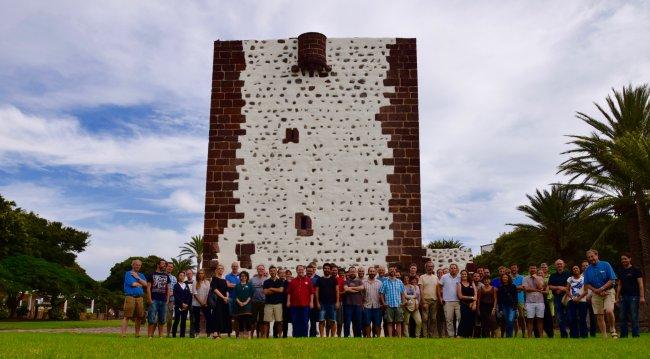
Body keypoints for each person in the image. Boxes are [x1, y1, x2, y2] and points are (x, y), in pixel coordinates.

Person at [583, 249, 618, 338]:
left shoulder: (605, 264)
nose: (591, 259)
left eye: (592, 256)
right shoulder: (587, 270)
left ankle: (612, 329)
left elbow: (612, 279)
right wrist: (596, 291)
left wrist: (602, 288)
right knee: (599, 315)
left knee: (609, 311)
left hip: (608, 291)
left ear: (597, 255)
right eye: (589, 257)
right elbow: (587, 284)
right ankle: (604, 336)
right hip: (596, 293)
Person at [616, 253, 645, 338]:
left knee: (634, 315)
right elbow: (619, 285)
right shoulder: (621, 271)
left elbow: (640, 284)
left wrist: (642, 297)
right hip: (623, 297)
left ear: (630, 259)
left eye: (625, 259)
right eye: (622, 259)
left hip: (634, 297)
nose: (623, 261)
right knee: (622, 316)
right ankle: (623, 335)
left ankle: (635, 335)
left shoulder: (636, 270)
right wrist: (617, 297)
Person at [120, 259, 147, 337]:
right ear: (132, 265)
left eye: (139, 265)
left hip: (140, 298)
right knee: (127, 316)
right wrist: (140, 283)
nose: (138, 266)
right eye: (136, 265)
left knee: (139, 316)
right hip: (130, 297)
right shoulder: (128, 274)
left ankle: (137, 334)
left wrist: (137, 277)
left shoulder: (141, 275)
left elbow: (145, 284)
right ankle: (123, 334)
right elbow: (133, 284)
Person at [287, 265, 314, 337]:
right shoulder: (293, 281)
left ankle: (304, 336)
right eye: (299, 270)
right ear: (296, 271)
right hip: (294, 306)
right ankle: (296, 336)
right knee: (295, 322)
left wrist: (311, 302)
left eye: (302, 270)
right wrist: (288, 301)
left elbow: (311, 293)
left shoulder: (308, 280)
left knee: (305, 322)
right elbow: (289, 293)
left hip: (305, 305)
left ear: (304, 270)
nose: (300, 271)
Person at [146, 259, 171, 338]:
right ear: (158, 264)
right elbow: (148, 287)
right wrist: (150, 299)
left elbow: (168, 288)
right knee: (151, 318)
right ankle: (149, 336)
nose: (164, 265)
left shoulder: (166, 276)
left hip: (163, 300)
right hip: (154, 299)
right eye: (163, 264)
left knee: (162, 319)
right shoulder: (151, 274)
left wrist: (167, 300)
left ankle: (160, 336)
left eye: (165, 264)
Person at [379, 266, 406, 337]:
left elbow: (402, 293)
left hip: (398, 304)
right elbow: (381, 293)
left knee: (399, 322)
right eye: (390, 270)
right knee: (389, 322)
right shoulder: (385, 282)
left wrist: (403, 302)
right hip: (389, 305)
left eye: (393, 270)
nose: (392, 271)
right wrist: (384, 303)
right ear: (388, 272)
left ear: (395, 271)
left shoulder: (400, 282)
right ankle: (390, 337)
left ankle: (399, 337)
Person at [315, 263, 339, 337]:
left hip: (332, 303)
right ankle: (322, 336)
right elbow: (316, 291)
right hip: (322, 303)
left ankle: (332, 336)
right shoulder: (319, 279)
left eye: (328, 268)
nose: (326, 270)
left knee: (333, 321)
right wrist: (318, 302)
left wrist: (337, 302)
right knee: (321, 321)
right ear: (323, 269)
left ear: (330, 270)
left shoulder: (334, 279)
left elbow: (337, 291)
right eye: (325, 268)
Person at [548, 259, 570, 338]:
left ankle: (573, 333)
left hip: (567, 297)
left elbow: (571, 284)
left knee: (569, 316)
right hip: (557, 298)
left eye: (560, 264)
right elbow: (549, 286)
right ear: (555, 266)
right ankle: (563, 334)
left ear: (564, 265)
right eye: (557, 264)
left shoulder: (568, 274)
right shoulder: (552, 275)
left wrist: (563, 289)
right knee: (560, 317)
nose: (559, 265)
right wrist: (557, 287)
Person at [522, 264, 545, 338]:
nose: (533, 269)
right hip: (529, 302)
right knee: (530, 320)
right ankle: (529, 337)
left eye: (534, 268)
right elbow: (526, 289)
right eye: (531, 268)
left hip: (540, 302)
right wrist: (537, 290)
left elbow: (541, 287)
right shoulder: (525, 278)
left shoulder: (540, 278)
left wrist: (536, 278)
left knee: (540, 319)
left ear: (536, 269)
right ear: (529, 269)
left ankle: (541, 336)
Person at [418, 260, 440, 338]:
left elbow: (438, 290)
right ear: (426, 268)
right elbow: (420, 289)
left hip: (434, 300)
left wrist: (439, 299)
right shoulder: (422, 277)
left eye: (431, 266)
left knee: (433, 319)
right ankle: (425, 335)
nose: (430, 268)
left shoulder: (436, 277)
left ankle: (431, 335)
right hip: (426, 300)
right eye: (429, 266)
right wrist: (423, 301)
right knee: (425, 319)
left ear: (433, 268)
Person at [263, 265, 285, 338]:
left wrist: (271, 288)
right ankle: (266, 337)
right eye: (271, 271)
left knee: (279, 321)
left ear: (276, 272)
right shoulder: (266, 282)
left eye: (274, 271)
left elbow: (281, 290)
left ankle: (279, 336)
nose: (272, 272)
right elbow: (265, 292)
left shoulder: (280, 281)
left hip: (278, 304)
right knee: (266, 322)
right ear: (269, 272)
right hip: (268, 304)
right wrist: (276, 290)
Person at [566, 264, 588, 338]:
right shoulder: (570, 279)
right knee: (573, 318)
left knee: (582, 318)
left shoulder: (584, 278)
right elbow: (567, 290)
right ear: (572, 271)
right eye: (574, 269)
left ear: (579, 270)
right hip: (572, 301)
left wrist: (578, 298)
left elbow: (586, 291)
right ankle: (574, 335)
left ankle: (584, 335)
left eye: (577, 268)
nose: (575, 270)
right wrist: (573, 298)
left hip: (582, 301)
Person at [209, 264, 230, 338]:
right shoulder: (214, 279)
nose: (220, 270)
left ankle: (219, 332)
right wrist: (223, 297)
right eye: (219, 268)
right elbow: (215, 289)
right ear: (216, 270)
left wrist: (226, 297)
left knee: (222, 316)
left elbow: (227, 290)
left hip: (224, 301)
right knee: (216, 316)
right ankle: (215, 333)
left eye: (222, 268)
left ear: (223, 270)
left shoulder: (224, 280)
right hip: (217, 300)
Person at [440, 263, 461, 337]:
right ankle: (451, 336)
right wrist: (440, 298)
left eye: (454, 268)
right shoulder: (444, 277)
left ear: (457, 269)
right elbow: (438, 286)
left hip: (458, 301)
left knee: (459, 318)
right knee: (449, 320)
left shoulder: (460, 277)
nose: (453, 269)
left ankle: (459, 334)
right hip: (447, 301)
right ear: (449, 269)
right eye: (451, 268)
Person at [343, 266, 364, 337]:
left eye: (353, 271)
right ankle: (347, 336)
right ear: (349, 273)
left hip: (358, 305)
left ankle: (357, 336)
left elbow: (362, 288)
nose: (352, 273)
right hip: (348, 305)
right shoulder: (346, 281)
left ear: (356, 272)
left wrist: (351, 288)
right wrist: (356, 290)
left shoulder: (359, 281)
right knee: (347, 322)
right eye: (351, 271)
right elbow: (346, 289)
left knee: (358, 322)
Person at [363, 266, 383, 338]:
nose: (372, 273)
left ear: (376, 273)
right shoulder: (363, 282)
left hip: (377, 306)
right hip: (366, 305)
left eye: (373, 271)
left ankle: (377, 337)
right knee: (367, 323)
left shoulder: (380, 283)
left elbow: (382, 294)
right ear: (368, 272)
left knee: (377, 323)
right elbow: (361, 294)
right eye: (370, 271)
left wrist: (382, 303)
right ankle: (368, 337)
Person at [232, 271, 253, 339]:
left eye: (244, 276)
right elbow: (235, 296)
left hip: (247, 305)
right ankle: (241, 335)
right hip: (239, 305)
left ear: (246, 277)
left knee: (248, 320)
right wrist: (240, 302)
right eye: (241, 276)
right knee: (240, 320)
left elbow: (251, 295)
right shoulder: (237, 286)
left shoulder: (250, 285)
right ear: (240, 277)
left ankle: (249, 335)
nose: (243, 277)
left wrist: (245, 302)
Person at [191, 269, 212, 338]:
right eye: (199, 273)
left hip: (205, 304)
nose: (201, 274)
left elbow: (207, 293)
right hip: (196, 304)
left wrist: (205, 302)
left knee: (208, 318)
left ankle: (209, 334)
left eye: (202, 273)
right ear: (197, 274)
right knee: (196, 319)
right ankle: (197, 333)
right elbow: (194, 293)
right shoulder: (195, 282)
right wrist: (201, 302)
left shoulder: (207, 282)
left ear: (204, 274)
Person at [456, 270, 476, 338]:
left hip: (472, 304)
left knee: (471, 320)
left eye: (465, 274)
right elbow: (460, 296)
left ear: (467, 275)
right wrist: (471, 297)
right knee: (463, 319)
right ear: (460, 275)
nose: (464, 275)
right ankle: (460, 335)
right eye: (462, 274)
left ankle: (469, 335)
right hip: (464, 304)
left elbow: (475, 295)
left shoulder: (471, 283)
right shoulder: (459, 284)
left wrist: (474, 303)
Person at [496, 273, 518, 338]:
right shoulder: (500, 287)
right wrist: (500, 308)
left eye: (506, 277)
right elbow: (499, 299)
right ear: (501, 279)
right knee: (506, 321)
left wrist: (515, 306)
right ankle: (508, 336)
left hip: (512, 306)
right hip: (504, 306)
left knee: (510, 321)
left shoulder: (513, 286)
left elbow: (515, 297)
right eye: (503, 277)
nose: (504, 278)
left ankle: (509, 336)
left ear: (508, 278)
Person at [250, 264, 268, 338]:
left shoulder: (267, 279)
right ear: (257, 270)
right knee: (253, 320)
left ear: (264, 270)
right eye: (259, 269)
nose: (261, 270)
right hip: (254, 302)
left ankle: (261, 335)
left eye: (262, 269)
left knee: (262, 321)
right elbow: (249, 290)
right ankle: (251, 335)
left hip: (263, 302)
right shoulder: (252, 279)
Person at [172, 271, 191, 338]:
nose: (182, 277)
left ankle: (182, 335)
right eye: (180, 275)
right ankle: (174, 335)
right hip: (178, 306)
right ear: (178, 276)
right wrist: (181, 304)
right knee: (177, 320)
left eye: (183, 275)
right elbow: (176, 296)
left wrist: (187, 304)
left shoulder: (186, 285)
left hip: (185, 307)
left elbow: (189, 295)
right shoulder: (176, 286)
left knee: (183, 321)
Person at [581, 259, 597, 337]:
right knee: (583, 316)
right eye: (583, 266)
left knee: (593, 316)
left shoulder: (593, 274)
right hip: (583, 299)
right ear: (581, 267)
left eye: (586, 265)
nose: (585, 267)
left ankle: (593, 333)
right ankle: (584, 332)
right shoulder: (580, 276)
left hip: (592, 297)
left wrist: (590, 296)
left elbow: (595, 286)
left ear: (589, 266)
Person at [509, 264, 526, 337]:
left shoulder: (522, 277)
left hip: (520, 299)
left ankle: (523, 334)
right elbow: (507, 287)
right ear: (510, 269)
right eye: (512, 268)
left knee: (521, 317)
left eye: (515, 268)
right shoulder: (508, 277)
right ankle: (515, 334)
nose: (513, 269)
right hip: (510, 300)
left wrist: (513, 288)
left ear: (517, 269)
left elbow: (523, 287)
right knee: (513, 318)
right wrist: (517, 288)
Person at [538, 262, 554, 338]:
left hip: (549, 299)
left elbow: (548, 290)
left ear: (547, 268)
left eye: (545, 267)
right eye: (542, 267)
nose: (544, 268)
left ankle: (550, 333)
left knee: (549, 317)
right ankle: (539, 334)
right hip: (538, 300)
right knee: (540, 317)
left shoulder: (550, 277)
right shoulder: (536, 277)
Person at [225, 262, 241, 335]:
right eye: (233, 266)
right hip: (231, 298)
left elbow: (243, 284)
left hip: (239, 298)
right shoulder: (228, 276)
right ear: (231, 267)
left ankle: (237, 333)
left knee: (237, 316)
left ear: (238, 267)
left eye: (236, 266)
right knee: (229, 315)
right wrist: (238, 285)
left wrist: (233, 285)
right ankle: (229, 332)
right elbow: (228, 285)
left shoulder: (241, 275)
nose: (235, 267)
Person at [306, 264, 320, 337]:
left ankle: (312, 336)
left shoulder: (317, 279)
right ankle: (304, 335)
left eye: (310, 271)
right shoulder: (303, 278)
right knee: (305, 321)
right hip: (304, 304)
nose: (309, 272)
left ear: (313, 271)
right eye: (308, 271)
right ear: (306, 271)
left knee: (313, 321)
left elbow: (318, 291)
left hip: (314, 304)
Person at [332, 264, 345, 337]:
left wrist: (336, 293)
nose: (334, 271)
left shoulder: (341, 280)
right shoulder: (328, 279)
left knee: (339, 321)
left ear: (337, 271)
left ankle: (339, 335)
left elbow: (344, 292)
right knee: (331, 321)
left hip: (339, 302)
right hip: (330, 302)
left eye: (335, 270)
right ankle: (331, 336)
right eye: (333, 270)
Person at [165, 261, 177, 337]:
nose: (170, 268)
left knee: (169, 318)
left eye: (171, 267)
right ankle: (157, 333)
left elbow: (175, 289)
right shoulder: (161, 276)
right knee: (159, 317)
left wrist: (172, 293)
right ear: (166, 267)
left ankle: (168, 334)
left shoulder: (174, 278)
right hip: (161, 299)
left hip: (171, 300)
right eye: (169, 266)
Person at [185, 269, 195, 337]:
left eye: (190, 273)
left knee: (193, 319)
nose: (189, 275)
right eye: (187, 274)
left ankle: (192, 335)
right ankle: (182, 334)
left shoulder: (195, 282)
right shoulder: (184, 283)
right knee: (183, 319)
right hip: (185, 303)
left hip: (193, 303)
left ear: (192, 274)